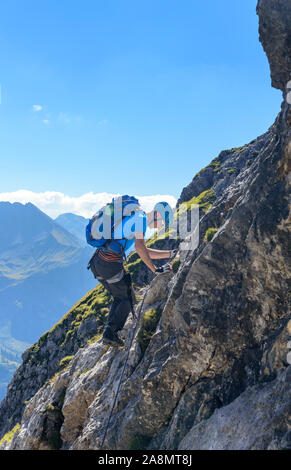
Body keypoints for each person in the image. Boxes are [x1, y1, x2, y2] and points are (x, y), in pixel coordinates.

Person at [87, 195, 175, 347]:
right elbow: (139, 248)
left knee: (121, 296)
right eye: (162, 222)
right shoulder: (140, 219)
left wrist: (169, 254)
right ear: (157, 214)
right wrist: (155, 269)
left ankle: (110, 332)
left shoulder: (136, 217)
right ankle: (110, 333)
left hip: (98, 262)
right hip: (109, 263)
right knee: (127, 298)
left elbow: (143, 250)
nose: (160, 226)